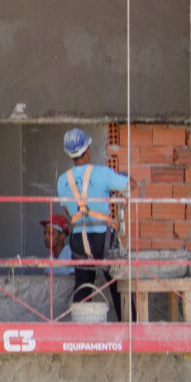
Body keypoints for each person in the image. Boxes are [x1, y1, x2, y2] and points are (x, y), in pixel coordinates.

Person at [53, 127, 130, 319]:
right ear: (87, 151)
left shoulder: (63, 181)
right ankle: (130, 327)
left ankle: (81, 331)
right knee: (116, 284)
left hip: (79, 237)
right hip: (102, 238)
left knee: (82, 285)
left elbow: (68, 210)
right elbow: (130, 187)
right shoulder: (102, 173)